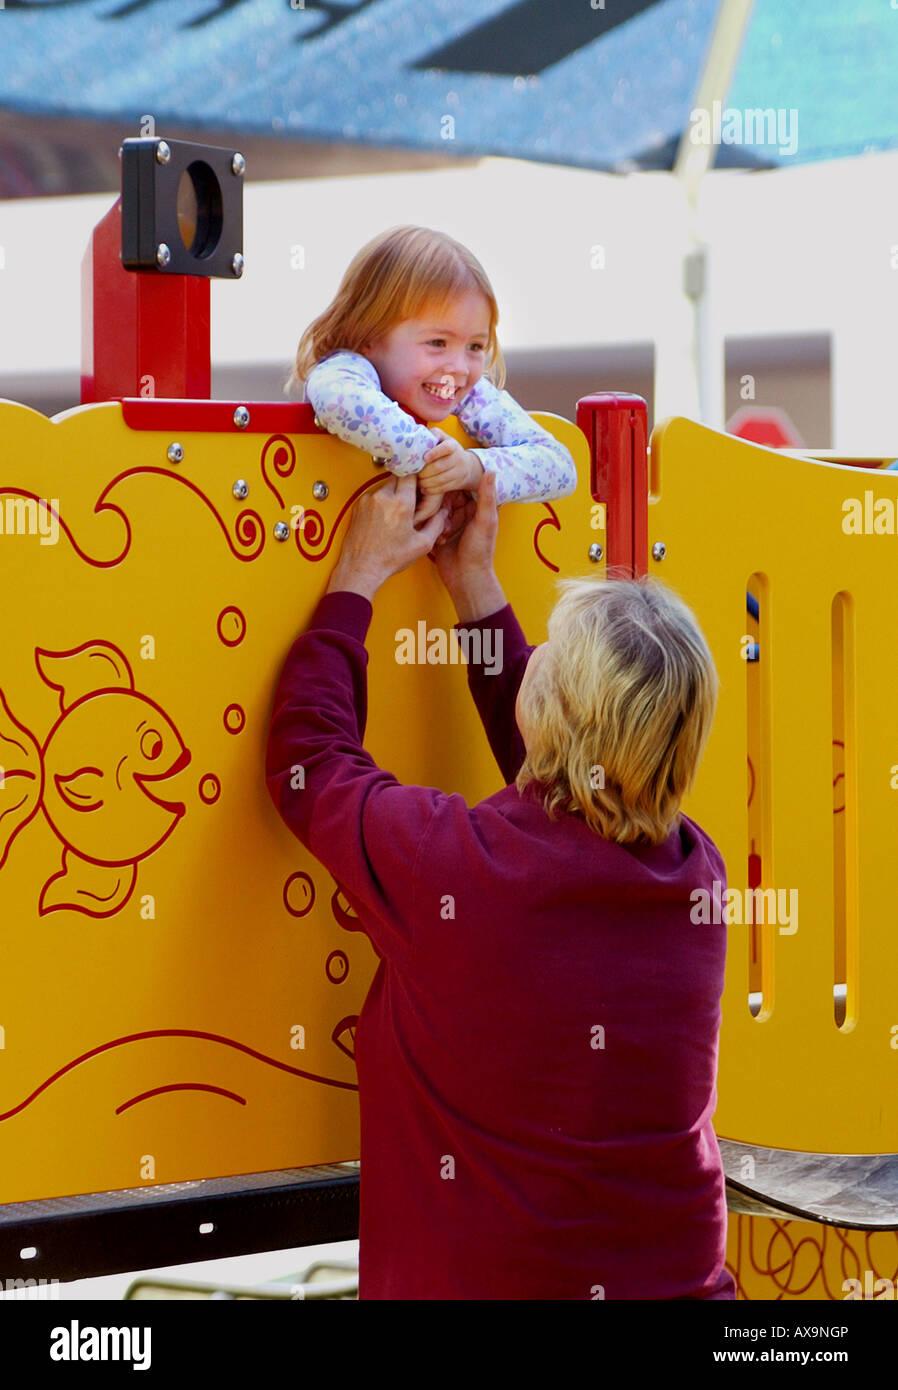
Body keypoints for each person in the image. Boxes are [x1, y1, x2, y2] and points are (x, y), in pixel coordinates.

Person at [264, 467, 736, 1301]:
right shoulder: (692, 877)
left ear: (545, 706)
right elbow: (574, 784)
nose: (535, 654)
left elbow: (307, 760)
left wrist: (357, 578)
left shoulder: (450, 866)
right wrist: (475, 586)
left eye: (545, 651)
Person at [285, 225, 577, 524]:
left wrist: (469, 468)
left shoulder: (471, 396)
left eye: (475, 346)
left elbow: (560, 465)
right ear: (367, 337)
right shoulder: (345, 371)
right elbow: (339, 402)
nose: (460, 368)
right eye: (438, 343)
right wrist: (430, 458)